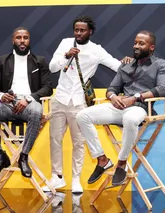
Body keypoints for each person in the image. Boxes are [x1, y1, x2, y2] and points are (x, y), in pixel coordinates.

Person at [76, 30, 165, 186]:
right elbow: (112, 88)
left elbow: (162, 89)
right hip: (119, 107)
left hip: (140, 108)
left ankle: (121, 163)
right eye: (135, 42)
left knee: (129, 118)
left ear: (151, 47)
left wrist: (135, 97)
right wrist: (114, 97)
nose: (136, 46)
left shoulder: (161, 64)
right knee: (82, 116)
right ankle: (102, 159)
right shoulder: (126, 64)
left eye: (142, 43)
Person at [43, 16, 121, 193]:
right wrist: (66, 55)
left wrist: (127, 63)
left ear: (90, 32)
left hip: (79, 101)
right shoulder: (65, 43)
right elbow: (52, 67)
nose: (78, 33)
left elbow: (116, 66)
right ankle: (57, 177)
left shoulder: (96, 50)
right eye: (76, 30)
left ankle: (76, 179)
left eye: (82, 30)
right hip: (60, 99)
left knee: (78, 142)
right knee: (55, 139)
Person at [0, 27, 53, 179]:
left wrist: (29, 99)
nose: (22, 41)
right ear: (13, 40)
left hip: (29, 104)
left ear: (29, 40)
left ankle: (23, 157)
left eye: (25, 38)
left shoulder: (40, 61)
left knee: (37, 112)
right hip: (7, 104)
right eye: (19, 37)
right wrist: (1, 95)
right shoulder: (3, 60)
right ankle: (0, 155)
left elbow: (48, 88)